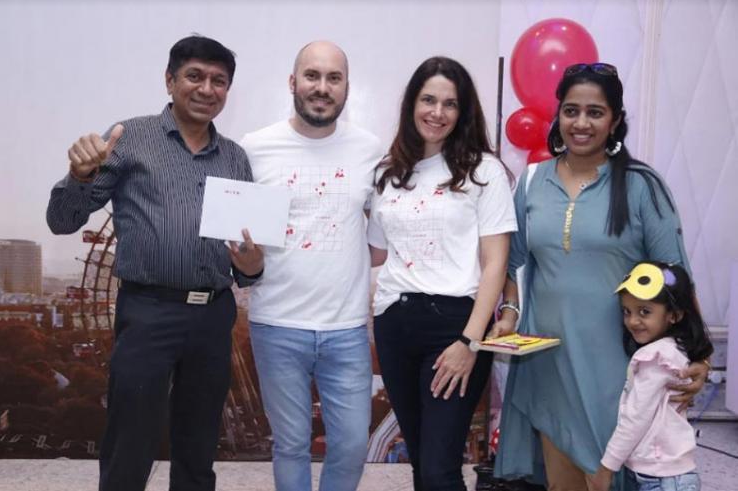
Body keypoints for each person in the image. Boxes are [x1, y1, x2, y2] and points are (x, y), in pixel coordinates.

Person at [46, 35, 264, 491]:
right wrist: (79, 175)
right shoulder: (128, 138)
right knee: (130, 445)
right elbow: (63, 221)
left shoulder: (235, 159)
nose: (207, 89)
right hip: (148, 312)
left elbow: (246, 269)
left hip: (213, 316)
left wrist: (252, 264)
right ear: (169, 80)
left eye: (219, 81)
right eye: (194, 76)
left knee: (199, 448)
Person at [493, 63, 709, 491]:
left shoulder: (641, 185)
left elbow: (677, 278)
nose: (581, 123)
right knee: (562, 482)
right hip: (547, 359)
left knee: (610, 474)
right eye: (571, 110)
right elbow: (511, 263)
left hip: (619, 364)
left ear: (615, 120)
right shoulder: (532, 183)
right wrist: (511, 313)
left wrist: (700, 355)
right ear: (558, 115)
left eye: (595, 112)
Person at [368, 56, 517, 491]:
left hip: (455, 326)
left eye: (450, 104)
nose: (437, 112)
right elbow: (378, 253)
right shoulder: (387, 173)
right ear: (412, 105)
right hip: (394, 323)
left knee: (440, 468)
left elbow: (495, 263)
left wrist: (470, 342)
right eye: (428, 100)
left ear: (463, 111)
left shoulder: (484, 170)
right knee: (421, 461)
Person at [239, 41, 382, 491]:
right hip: (276, 324)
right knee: (290, 445)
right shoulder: (255, 148)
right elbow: (240, 238)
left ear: (346, 88)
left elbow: (381, 234)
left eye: (333, 78)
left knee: (352, 445)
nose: (322, 87)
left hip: (346, 328)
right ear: (293, 82)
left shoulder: (369, 150)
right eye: (312, 76)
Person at [586, 261, 712, 491]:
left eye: (644, 312)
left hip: (661, 479)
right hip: (666, 474)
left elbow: (635, 419)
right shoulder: (675, 350)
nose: (633, 321)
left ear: (674, 315)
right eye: (627, 311)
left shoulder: (655, 358)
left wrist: (606, 469)